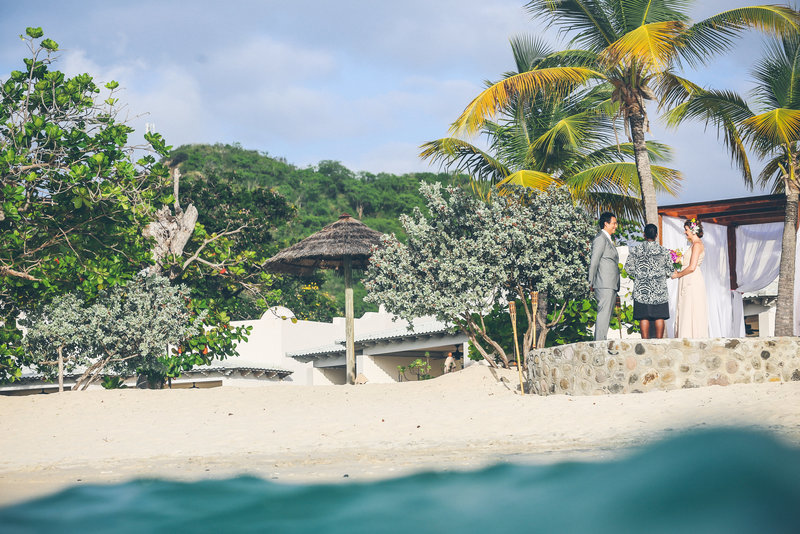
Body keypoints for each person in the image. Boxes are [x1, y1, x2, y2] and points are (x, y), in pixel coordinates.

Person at [624, 224, 673, 339]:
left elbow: (628, 268)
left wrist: (640, 275)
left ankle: (645, 342)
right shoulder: (664, 251)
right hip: (659, 290)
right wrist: (660, 276)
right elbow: (670, 270)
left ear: (644, 235)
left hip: (642, 290)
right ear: (656, 235)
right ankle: (659, 341)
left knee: (643, 317)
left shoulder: (636, 250)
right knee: (659, 316)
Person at [671, 218, 708, 338]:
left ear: (693, 230)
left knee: (690, 308)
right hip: (687, 278)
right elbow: (686, 263)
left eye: (686, 230)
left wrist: (677, 275)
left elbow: (692, 267)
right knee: (685, 307)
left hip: (692, 279)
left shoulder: (697, 245)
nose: (684, 232)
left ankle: (691, 336)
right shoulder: (692, 245)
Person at [588, 212, 620, 341]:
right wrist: (590, 282)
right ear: (606, 224)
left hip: (611, 284)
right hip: (604, 283)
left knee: (607, 315)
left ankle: (602, 341)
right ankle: (599, 344)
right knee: (603, 314)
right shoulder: (600, 239)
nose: (615, 226)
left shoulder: (608, 239)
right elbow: (594, 261)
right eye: (614, 223)